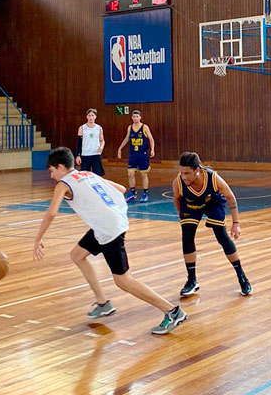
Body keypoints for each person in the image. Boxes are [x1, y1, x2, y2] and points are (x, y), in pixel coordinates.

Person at [33, 147, 187, 335]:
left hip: (108, 229)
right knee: (77, 255)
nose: (51, 176)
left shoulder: (63, 184)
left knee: (123, 281)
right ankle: (102, 303)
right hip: (110, 222)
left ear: (60, 167)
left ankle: (172, 311)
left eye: (51, 171)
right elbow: (121, 189)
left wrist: (38, 239)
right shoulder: (87, 174)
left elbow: (52, 213)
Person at [173, 152, 252, 298]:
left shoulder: (213, 178)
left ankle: (242, 277)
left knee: (222, 237)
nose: (184, 177)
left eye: (187, 173)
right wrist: (182, 217)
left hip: (212, 203)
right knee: (187, 235)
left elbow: (231, 198)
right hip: (191, 205)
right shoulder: (178, 182)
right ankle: (191, 280)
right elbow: (177, 199)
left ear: (197, 170)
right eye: (181, 172)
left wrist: (236, 223)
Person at [117, 110, 154, 202]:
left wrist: (152, 149)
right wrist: (120, 148)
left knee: (143, 174)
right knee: (130, 173)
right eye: (133, 116)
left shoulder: (144, 127)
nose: (135, 118)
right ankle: (132, 192)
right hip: (133, 154)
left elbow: (151, 139)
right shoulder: (130, 127)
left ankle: (145, 193)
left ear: (140, 117)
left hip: (143, 154)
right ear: (131, 118)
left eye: (137, 116)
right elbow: (127, 138)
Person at [76, 108, 105, 175]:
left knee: (98, 174)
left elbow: (102, 140)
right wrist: (78, 155)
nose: (91, 117)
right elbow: (79, 143)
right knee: (85, 175)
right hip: (85, 154)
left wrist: (101, 147)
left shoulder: (99, 128)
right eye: (89, 115)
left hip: (96, 154)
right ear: (86, 117)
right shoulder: (82, 128)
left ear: (95, 116)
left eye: (92, 115)